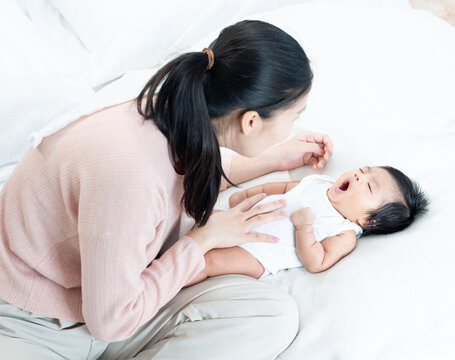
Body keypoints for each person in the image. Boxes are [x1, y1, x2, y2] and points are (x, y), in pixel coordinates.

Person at [0, 20, 334, 359]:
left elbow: (180, 174)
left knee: (270, 316)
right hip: (34, 317)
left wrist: (271, 159)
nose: (293, 125)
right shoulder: (129, 175)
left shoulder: (174, 108)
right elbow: (110, 322)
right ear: (250, 121)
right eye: (294, 116)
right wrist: (202, 240)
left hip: (116, 293)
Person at [185, 166, 429, 284]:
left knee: (211, 261)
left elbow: (317, 262)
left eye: (368, 186)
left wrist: (304, 228)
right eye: (364, 170)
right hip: (242, 220)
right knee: (201, 220)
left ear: (368, 220)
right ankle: (161, 251)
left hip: (259, 254)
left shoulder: (345, 232)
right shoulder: (319, 182)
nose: (358, 176)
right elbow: (280, 188)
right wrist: (251, 195)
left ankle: (170, 279)